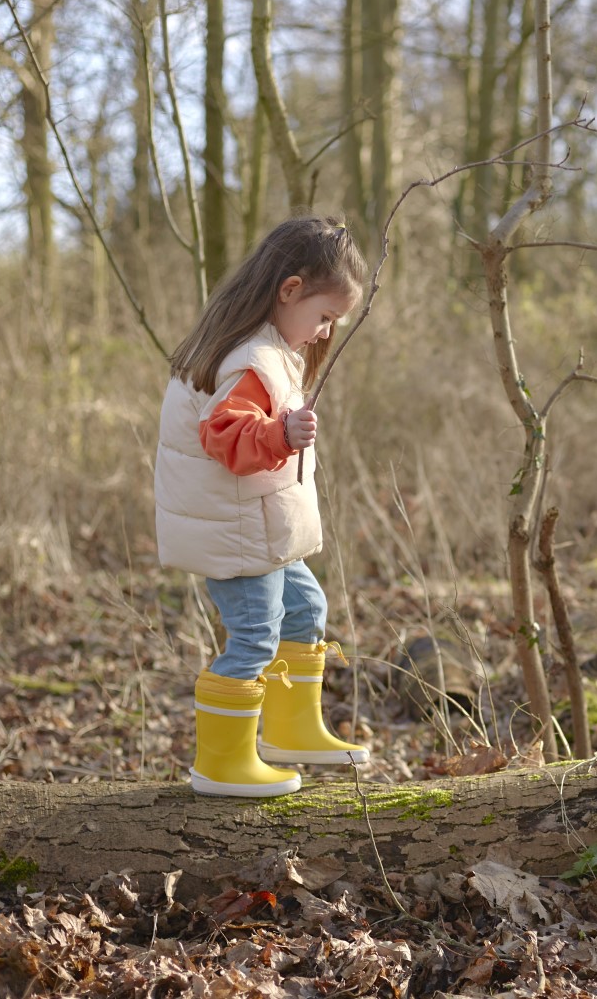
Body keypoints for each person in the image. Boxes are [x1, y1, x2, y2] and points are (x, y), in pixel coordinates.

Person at [155, 215, 371, 797]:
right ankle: (222, 765)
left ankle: (291, 731)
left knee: (304, 610)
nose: (326, 332)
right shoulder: (249, 359)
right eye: (325, 317)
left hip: (260, 527)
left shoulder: (271, 350)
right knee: (254, 636)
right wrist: (280, 435)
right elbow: (225, 437)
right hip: (236, 533)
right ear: (290, 290)